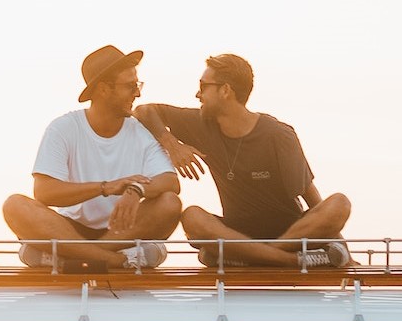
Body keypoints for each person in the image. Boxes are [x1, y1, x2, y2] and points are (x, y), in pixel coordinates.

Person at [135, 54, 352, 268]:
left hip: (291, 232)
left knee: (339, 203)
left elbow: (310, 196)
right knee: (192, 217)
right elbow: (144, 110)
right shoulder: (201, 123)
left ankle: (252, 257)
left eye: (203, 86)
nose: (197, 94)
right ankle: (289, 261)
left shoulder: (278, 134)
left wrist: (342, 246)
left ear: (225, 90)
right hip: (237, 233)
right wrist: (172, 145)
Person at [2, 45, 182, 271]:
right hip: (69, 229)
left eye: (138, 85)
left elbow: (170, 182)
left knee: (169, 203)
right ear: (104, 89)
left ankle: (75, 256)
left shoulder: (141, 132)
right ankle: (116, 259)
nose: (137, 93)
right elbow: (44, 192)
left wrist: (136, 189)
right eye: (130, 86)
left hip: (123, 231)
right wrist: (106, 187)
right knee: (14, 205)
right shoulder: (63, 128)